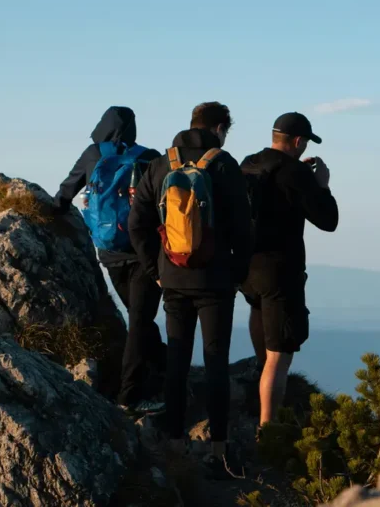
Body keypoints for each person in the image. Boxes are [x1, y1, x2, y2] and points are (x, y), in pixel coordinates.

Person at [128, 101, 253, 478]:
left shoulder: (161, 163)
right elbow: (244, 228)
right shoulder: (223, 163)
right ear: (219, 128)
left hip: (174, 280)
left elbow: (138, 223)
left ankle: (176, 442)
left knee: (178, 360)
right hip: (215, 281)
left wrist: (156, 270)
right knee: (216, 361)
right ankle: (218, 451)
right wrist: (237, 274)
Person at [56, 106, 167, 415]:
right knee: (140, 320)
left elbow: (65, 192)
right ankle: (129, 396)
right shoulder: (151, 157)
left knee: (138, 316)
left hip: (109, 253)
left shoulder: (93, 153)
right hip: (146, 253)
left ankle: (163, 367)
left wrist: (53, 212)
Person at [240, 111, 338, 429]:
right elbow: (328, 221)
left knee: (257, 308)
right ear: (297, 141)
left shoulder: (249, 163)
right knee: (280, 355)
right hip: (280, 269)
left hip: (244, 265)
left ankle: (257, 368)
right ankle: (268, 430)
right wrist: (321, 185)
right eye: (305, 141)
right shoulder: (296, 173)